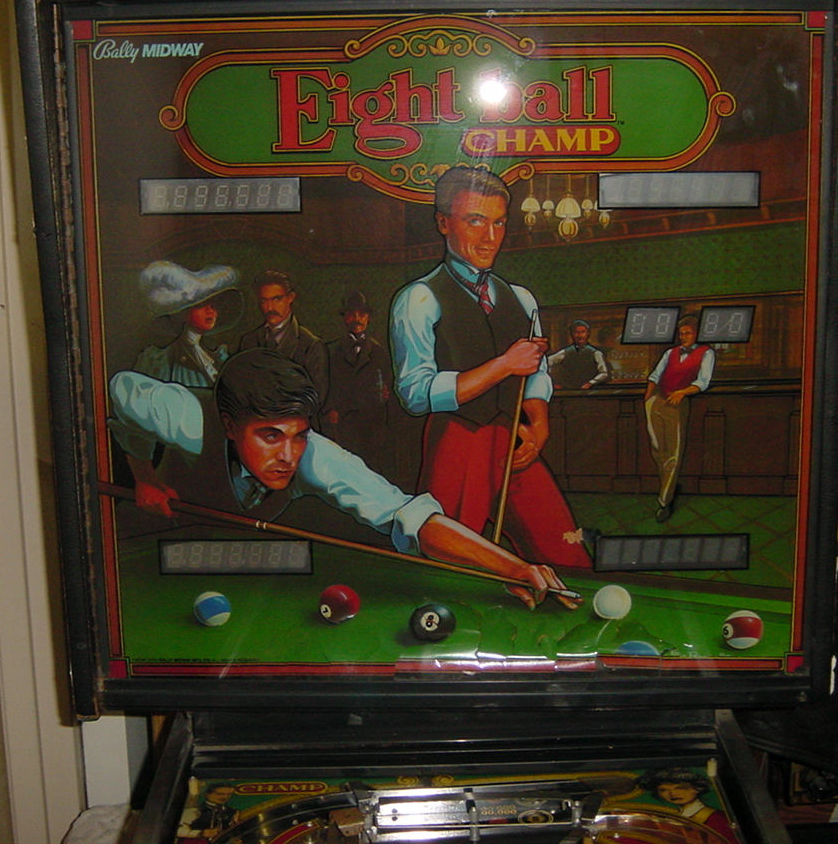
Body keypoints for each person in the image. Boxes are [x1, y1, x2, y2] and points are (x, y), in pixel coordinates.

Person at [109, 348, 576, 609]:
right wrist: (144, 474)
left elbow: (410, 517)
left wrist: (513, 568)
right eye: (270, 436)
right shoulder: (181, 416)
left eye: (298, 435)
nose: (288, 456)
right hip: (157, 547)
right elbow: (119, 391)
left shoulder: (316, 459)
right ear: (229, 426)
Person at [389, 165, 592, 569]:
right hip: (457, 444)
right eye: (475, 221)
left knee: (566, 554)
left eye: (499, 223)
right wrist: (503, 365)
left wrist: (539, 424)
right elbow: (415, 394)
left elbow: (536, 373)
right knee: (453, 564)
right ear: (443, 223)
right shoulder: (418, 299)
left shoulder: (522, 298)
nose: (490, 237)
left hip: (514, 441)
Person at [644, 316, 715, 522]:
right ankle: (670, 487)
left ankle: (664, 501)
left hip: (677, 404)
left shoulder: (706, 353)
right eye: (681, 333)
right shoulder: (670, 353)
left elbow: (703, 381)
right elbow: (655, 375)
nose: (683, 337)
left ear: (697, 334)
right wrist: (648, 398)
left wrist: (683, 392)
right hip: (657, 401)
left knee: (673, 453)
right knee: (657, 450)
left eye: (688, 333)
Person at [133, 260, 243, 388]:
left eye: (214, 305)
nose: (211, 311)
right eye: (201, 305)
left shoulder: (217, 356)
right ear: (184, 311)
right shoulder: (162, 360)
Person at [321, 290, 393, 473]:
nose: (357, 319)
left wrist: (387, 392)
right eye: (351, 314)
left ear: (368, 318)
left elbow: (389, 385)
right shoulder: (330, 351)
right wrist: (330, 409)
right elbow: (323, 384)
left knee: (372, 468)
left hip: (372, 422)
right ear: (345, 318)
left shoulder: (379, 352)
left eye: (361, 314)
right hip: (343, 422)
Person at [237, 269, 329, 407]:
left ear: (290, 297)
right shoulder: (248, 341)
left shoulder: (311, 345)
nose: (270, 307)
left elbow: (317, 398)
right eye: (263, 301)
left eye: (276, 299)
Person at [636, 767, 735, 843]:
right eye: (664, 790)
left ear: (696, 788)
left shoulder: (717, 818)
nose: (673, 794)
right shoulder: (670, 818)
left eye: (680, 788)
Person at [548, 319, 610, 390]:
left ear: (588, 333)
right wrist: (553, 382)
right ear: (572, 334)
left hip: (589, 392)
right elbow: (546, 363)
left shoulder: (596, 353)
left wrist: (590, 383)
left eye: (583, 332)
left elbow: (604, 373)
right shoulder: (566, 352)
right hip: (568, 392)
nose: (580, 335)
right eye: (576, 332)